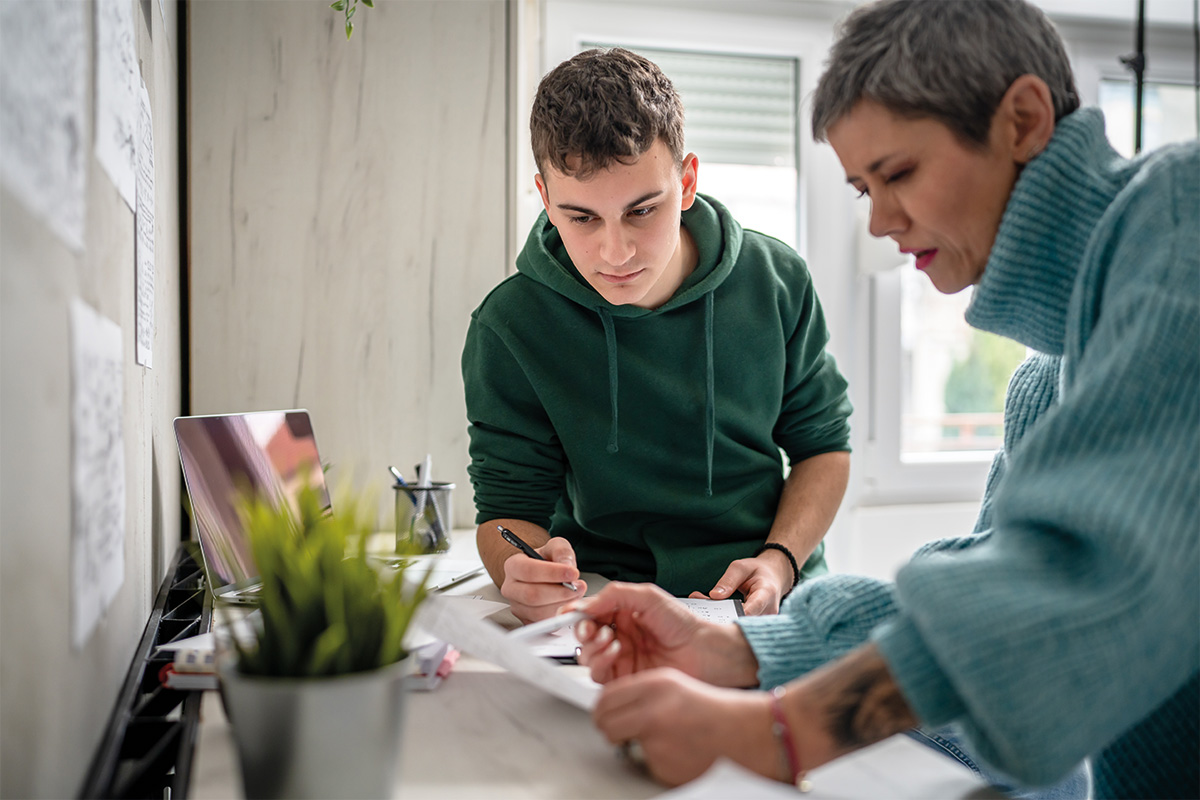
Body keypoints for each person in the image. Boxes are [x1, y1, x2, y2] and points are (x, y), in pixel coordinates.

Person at [569, 1, 1199, 798]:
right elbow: (987, 582)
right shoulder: (1048, 376)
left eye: (898, 173)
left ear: (1024, 119)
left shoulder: (1183, 220)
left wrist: (775, 735)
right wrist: (744, 650)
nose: (881, 224)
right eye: (865, 189)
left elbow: (1070, 587)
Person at [461, 48, 853, 622]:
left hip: (766, 597)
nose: (614, 253)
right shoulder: (509, 326)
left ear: (687, 181)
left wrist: (780, 559)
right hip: (601, 604)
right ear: (545, 199)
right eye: (581, 218)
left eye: (642, 210)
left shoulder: (777, 281)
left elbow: (824, 447)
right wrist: (518, 570)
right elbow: (505, 512)